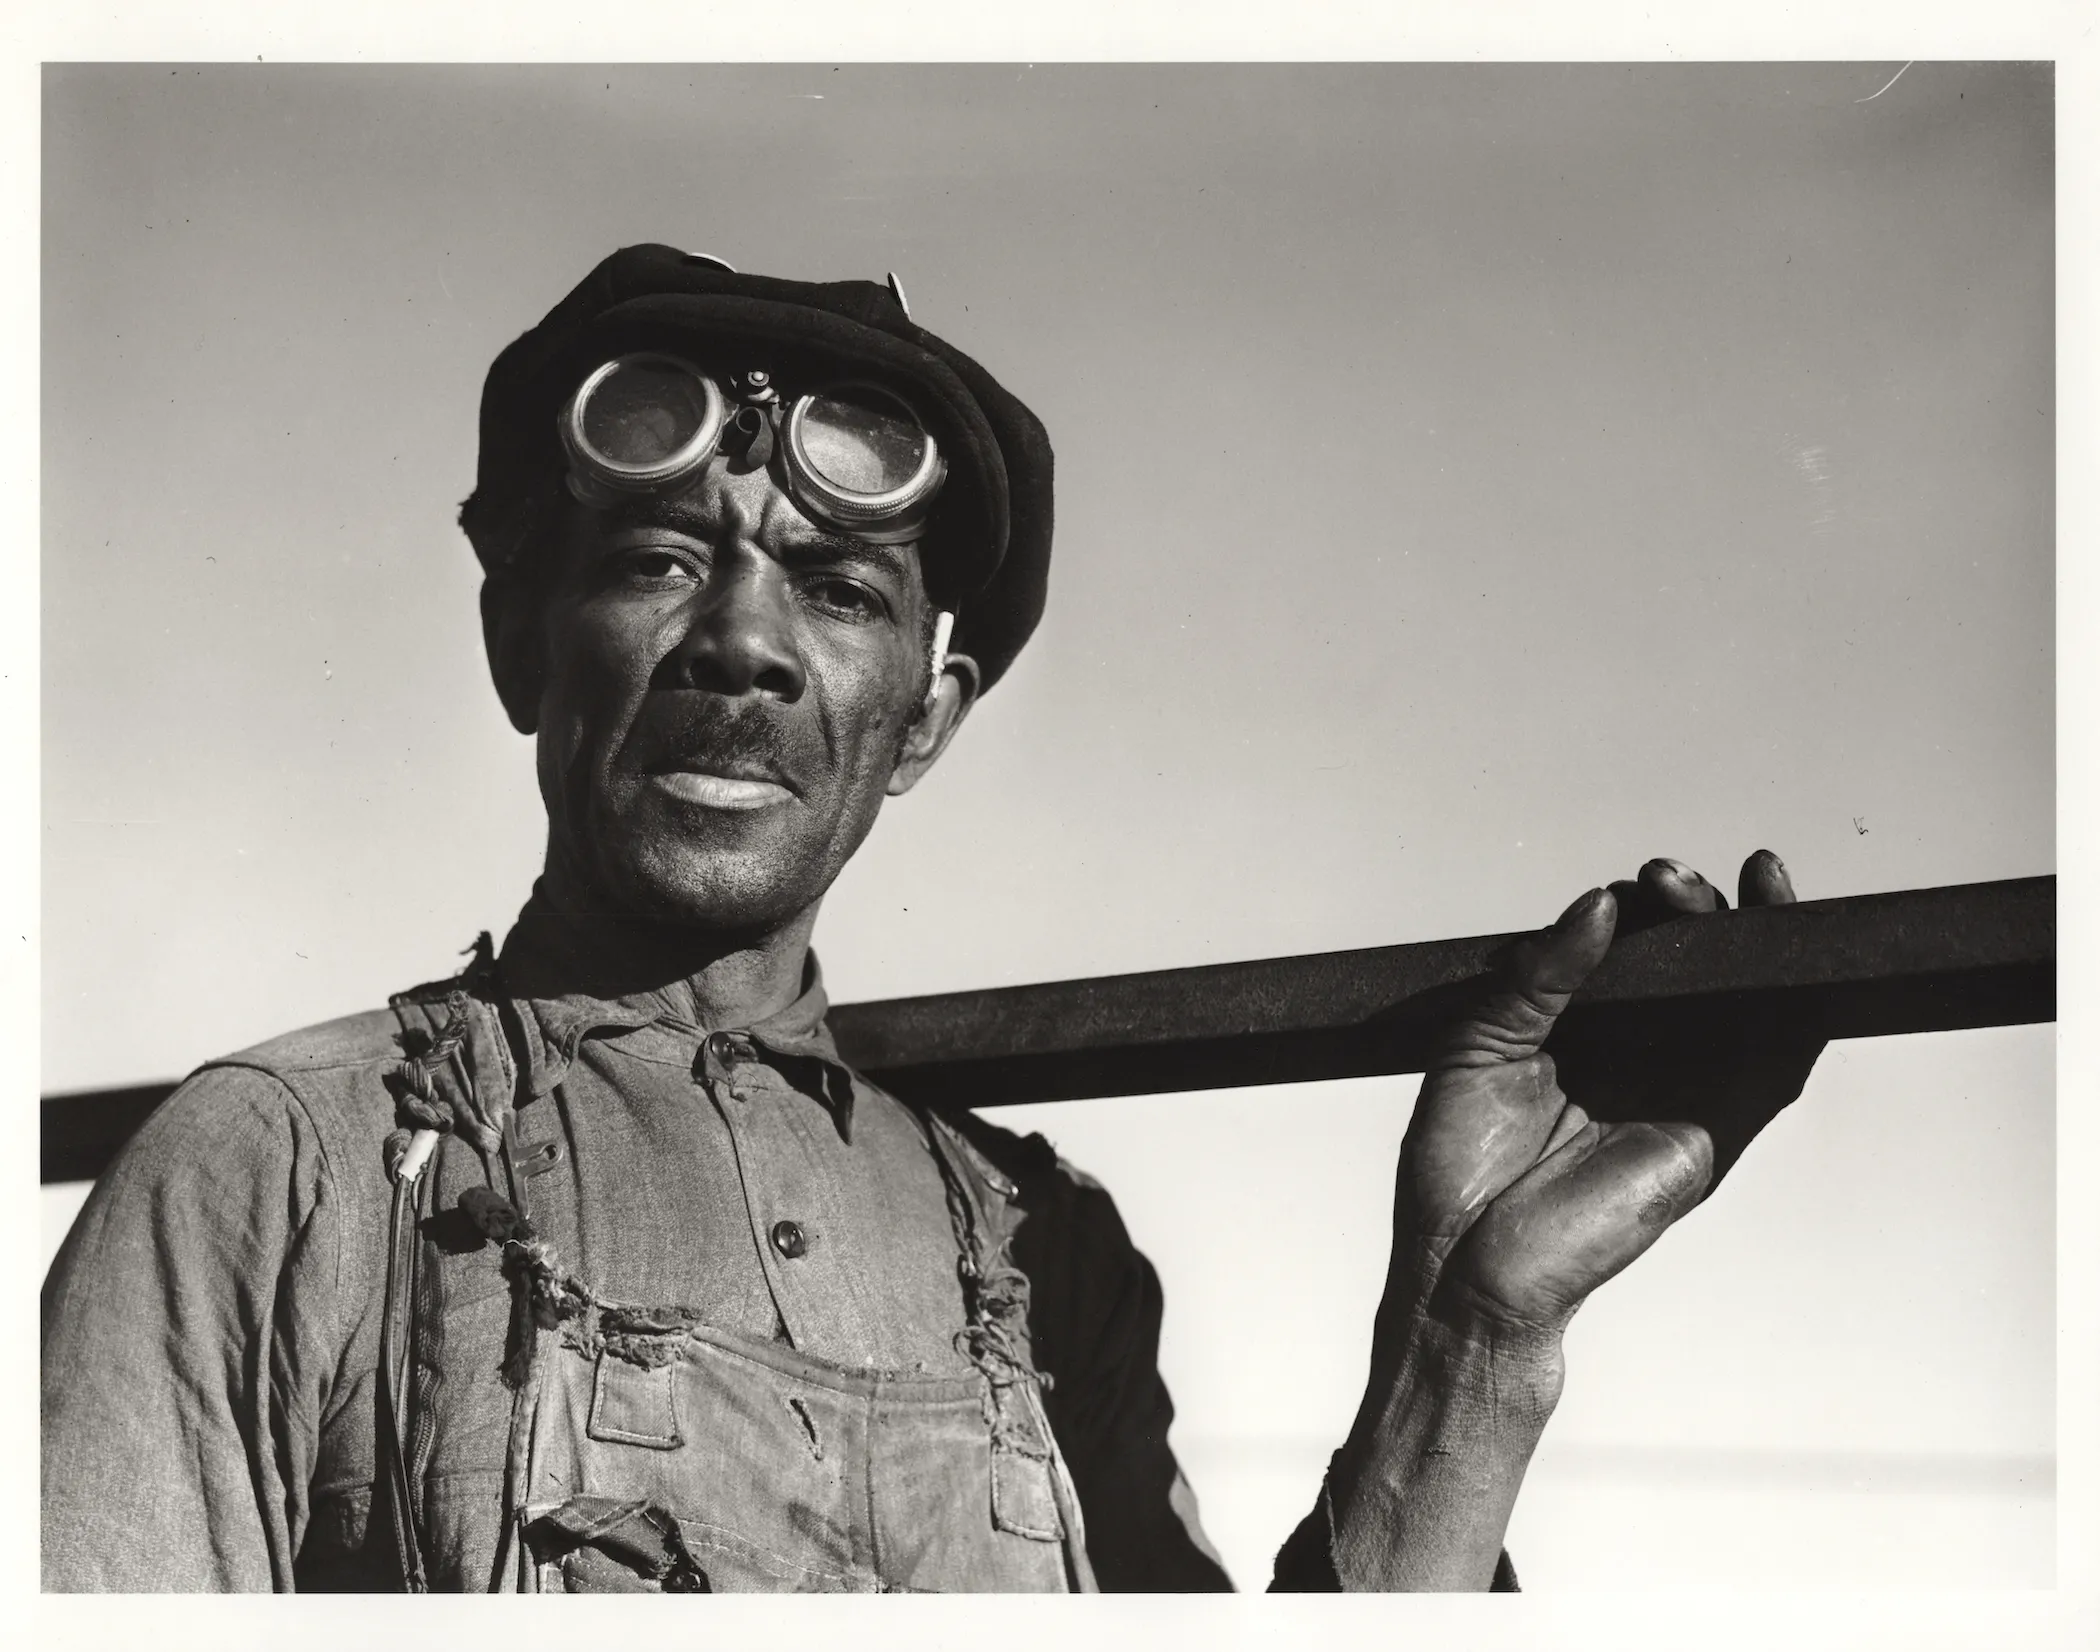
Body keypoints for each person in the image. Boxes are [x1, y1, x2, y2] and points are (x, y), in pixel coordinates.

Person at [40, 245, 1824, 1592]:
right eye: (661, 560)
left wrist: (1473, 1329)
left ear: (925, 716)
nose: (743, 644)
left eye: (836, 588)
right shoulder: (280, 1168)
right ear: (521, 638)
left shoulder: (1043, 1254)